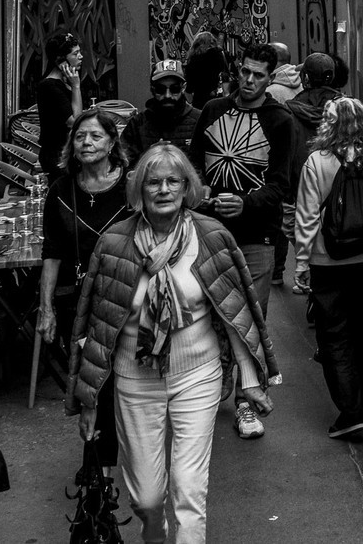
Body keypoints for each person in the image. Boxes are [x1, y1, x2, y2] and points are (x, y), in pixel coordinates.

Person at [68, 143, 278, 543]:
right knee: (147, 498)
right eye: (153, 182)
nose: (163, 190)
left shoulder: (212, 237)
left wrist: (250, 380)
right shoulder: (114, 244)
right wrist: (88, 400)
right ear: (139, 190)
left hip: (198, 375)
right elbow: (94, 329)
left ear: (187, 188)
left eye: (172, 181)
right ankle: (155, 533)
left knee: (189, 491)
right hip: (135, 380)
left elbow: (236, 313)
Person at [189, 41, 295, 439]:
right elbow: (194, 163)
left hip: (256, 236)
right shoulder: (213, 111)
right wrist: (201, 195)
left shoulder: (279, 120)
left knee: (252, 318)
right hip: (209, 232)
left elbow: (282, 185)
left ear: (271, 78)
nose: (249, 81)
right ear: (237, 70)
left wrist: (246, 203)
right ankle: (219, 379)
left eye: (259, 75)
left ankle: (247, 405)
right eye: (245, 72)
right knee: (211, 315)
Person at [292, 97, 363, 438]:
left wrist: (301, 262)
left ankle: (351, 413)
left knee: (334, 335)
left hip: (328, 262)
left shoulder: (317, 162)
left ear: (328, 125)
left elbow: (307, 216)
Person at [36, 107, 133, 467]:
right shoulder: (61, 189)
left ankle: (131, 457)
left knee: (122, 380)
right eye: (80, 136)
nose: (86, 142)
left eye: (95, 136)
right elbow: (52, 249)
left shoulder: (131, 187)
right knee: (91, 382)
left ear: (111, 142)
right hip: (80, 302)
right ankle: (97, 464)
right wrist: (45, 308)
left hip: (127, 297)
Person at [279, 52, 344, 289]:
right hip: (337, 185)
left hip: (297, 185)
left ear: (305, 78)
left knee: (297, 228)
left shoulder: (290, 111)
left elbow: (284, 150)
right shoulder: (345, 110)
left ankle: (310, 269)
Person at [121, 58, 202, 158]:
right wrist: (149, 156)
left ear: (183, 88)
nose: (167, 95)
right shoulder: (138, 124)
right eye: (161, 89)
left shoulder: (199, 121)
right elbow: (122, 164)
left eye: (174, 89)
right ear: (152, 89)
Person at [38, 31, 87, 177]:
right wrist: (76, 86)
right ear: (61, 60)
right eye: (75, 54)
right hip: (57, 157)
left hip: (66, 152)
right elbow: (74, 121)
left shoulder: (62, 83)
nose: (81, 57)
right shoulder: (49, 86)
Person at [183, 31, 231, 111]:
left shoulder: (193, 61)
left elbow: (189, 91)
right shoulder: (220, 55)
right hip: (218, 101)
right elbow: (226, 77)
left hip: (200, 104)